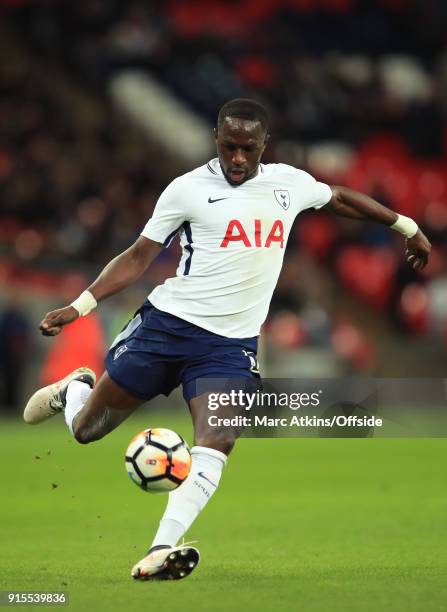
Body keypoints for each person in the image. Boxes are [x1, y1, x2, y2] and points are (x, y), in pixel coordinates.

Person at [24, 98, 431, 581]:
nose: (237, 159)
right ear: (216, 139)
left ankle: (161, 548)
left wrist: (406, 226)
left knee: (218, 440)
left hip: (229, 347)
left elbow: (339, 197)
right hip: (166, 328)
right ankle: (76, 390)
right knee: (87, 430)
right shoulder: (188, 189)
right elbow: (137, 257)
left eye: (248, 149)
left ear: (264, 146)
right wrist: (80, 306)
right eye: (229, 146)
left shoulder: (288, 184)